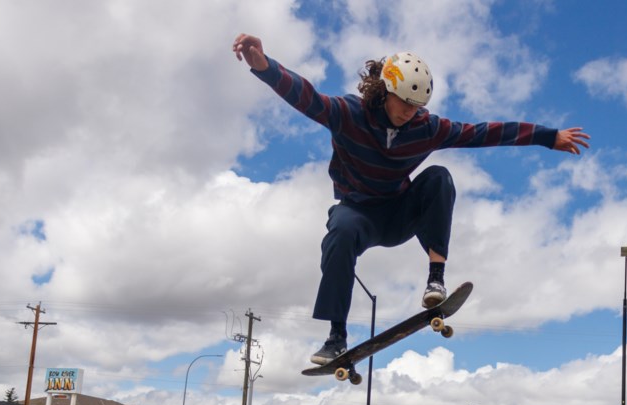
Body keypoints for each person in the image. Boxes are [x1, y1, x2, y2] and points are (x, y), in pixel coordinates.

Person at [233, 34, 590, 363]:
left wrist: (547, 136)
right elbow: (307, 98)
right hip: (358, 214)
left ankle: (436, 278)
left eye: (416, 105)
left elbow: (484, 132)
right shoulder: (348, 114)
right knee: (339, 230)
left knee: (439, 178)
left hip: (400, 213)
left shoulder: (427, 127)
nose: (409, 111)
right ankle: (336, 336)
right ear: (384, 90)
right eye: (404, 103)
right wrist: (265, 68)